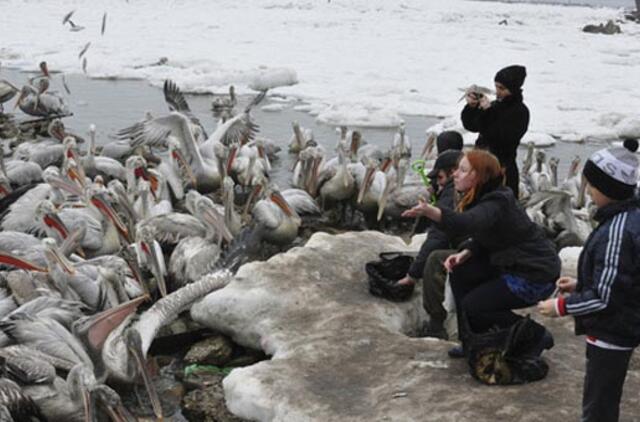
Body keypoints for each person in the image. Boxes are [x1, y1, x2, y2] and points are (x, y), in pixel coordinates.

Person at [403, 149, 559, 358]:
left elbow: (468, 223)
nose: (455, 174)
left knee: (474, 307)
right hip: (511, 263)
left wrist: (432, 211)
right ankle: (470, 341)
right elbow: (488, 234)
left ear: (479, 176)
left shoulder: (497, 201)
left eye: (463, 170)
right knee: (460, 270)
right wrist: (467, 251)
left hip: (533, 274)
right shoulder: (479, 196)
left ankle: (536, 335)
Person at [538, 142, 640, 422]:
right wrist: (582, 282)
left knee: (598, 405)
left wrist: (561, 306)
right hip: (619, 326)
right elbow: (620, 276)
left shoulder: (617, 231)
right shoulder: (626, 219)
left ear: (610, 189)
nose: (589, 192)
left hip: (613, 332)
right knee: (601, 397)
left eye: (593, 186)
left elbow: (606, 297)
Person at [397, 150, 463, 338]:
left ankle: (436, 324)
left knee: (434, 261)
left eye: (440, 177)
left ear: (452, 172)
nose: (439, 182)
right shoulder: (458, 190)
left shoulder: (451, 195)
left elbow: (437, 237)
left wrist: (412, 275)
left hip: (484, 255)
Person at [461, 65, 530, 198]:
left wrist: (488, 112)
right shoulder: (495, 106)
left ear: (513, 89)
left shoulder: (520, 112)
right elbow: (472, 125)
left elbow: (502, 138)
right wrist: (472, 107)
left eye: (502, 88)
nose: (497, 92)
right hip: (480, 166)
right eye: (496, 86)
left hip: (502, 170)